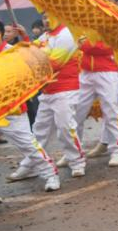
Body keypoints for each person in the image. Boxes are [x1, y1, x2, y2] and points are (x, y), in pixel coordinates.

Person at [0, 21, 61, 192]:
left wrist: (25, 38)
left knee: (29, 145)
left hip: (12, 110)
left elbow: (36, 63)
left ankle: (50, 174)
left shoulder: (12, 53)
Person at [71, 0, 118, 167]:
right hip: (86, 73)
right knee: (76, 112)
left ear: (116, 3)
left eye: (107, 0)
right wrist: (86, 45)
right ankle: (74, 153)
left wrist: (86, 46)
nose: (103, 2)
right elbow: (79, 40)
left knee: (110, 111)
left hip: (107, 72)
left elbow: (108, 47)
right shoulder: (89, 20)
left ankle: (116, 151)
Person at [29, 15, 87, 178]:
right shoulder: (45, 36)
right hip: (48, 91)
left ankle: (77, 162)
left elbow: (53, 64)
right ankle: (31, 164)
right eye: (43, 17)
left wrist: (33, 63)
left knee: (65, 128)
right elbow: (30, 53)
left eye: (50, 17)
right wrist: (24, 38)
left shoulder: (67, 35)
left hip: (65, 89)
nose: (46, 21)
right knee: (39, 130)